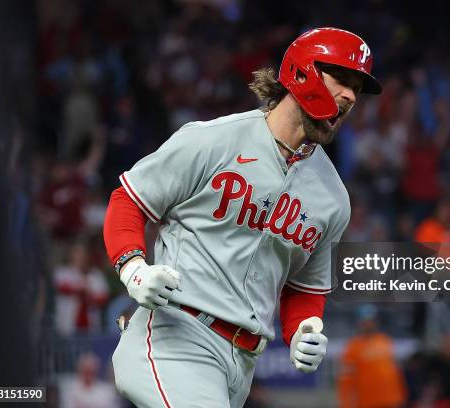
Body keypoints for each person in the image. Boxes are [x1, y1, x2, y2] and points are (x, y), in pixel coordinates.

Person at [102, 27, 382, 408]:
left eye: (358, 89)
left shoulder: (333, 198)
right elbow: (130, 200)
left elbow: (304, 289)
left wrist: (304, 329)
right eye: (342, 79)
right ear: (302, 71)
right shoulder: (213, 140)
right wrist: (132, 267)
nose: (351, 95)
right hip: (176, 337)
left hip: (242, 366)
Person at [338, 305, 407, 408]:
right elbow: (346, 380)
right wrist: (346, 404)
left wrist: (400, 396)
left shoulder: (385, 340)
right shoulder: (352, 347)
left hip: (391, 400)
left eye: (371, 320)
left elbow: (395, 371)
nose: (368, 324)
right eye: (365, 321)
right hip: (368, 402)